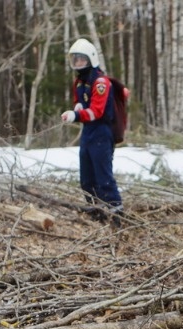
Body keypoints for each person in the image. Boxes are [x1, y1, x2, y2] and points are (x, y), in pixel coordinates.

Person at [61, 38, 123, 226]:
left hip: (102, 133)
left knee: (103, 178)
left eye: (82, 59)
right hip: (87, 133)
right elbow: (79, 102)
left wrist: (76, 115)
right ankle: (96, 213)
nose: (79, 63)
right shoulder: (79, 83)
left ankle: (115, 217)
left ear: (91, 59)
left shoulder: (101, 82)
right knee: (86, 180)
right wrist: (77, 107)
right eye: (76, 59)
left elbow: (97, 111)